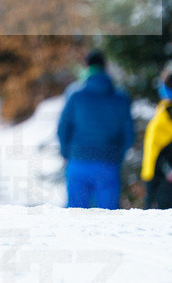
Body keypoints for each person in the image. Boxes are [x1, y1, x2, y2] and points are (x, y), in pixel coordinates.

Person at [56, 49, 135, 209]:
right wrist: (117, 156)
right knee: (108, 218)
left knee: (75, 216)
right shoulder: (120, 98)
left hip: (78, 161)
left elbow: (63, 129)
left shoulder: (75, 95)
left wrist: (66, 153)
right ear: (105, 66)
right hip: (108, 163)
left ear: (86, 66)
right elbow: (128, 134)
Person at [141, 61, 172, 209]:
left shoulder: (164, 116)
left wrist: (150, 193)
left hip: (163, 186)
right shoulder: (163, 112)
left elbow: (153, 156)